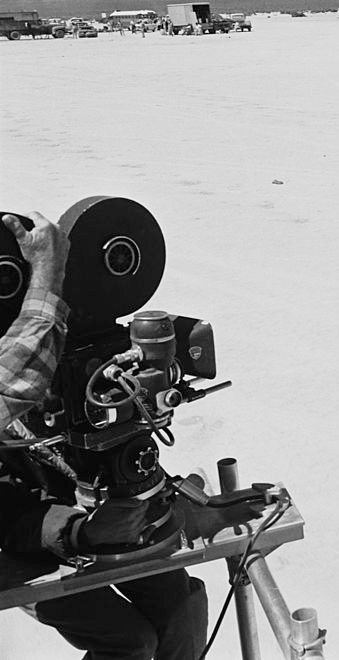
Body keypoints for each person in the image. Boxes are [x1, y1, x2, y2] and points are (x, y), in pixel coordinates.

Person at [0, 212, 208, 660]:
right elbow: (12, 387)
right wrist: (77, 532)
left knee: (182, 611)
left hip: (106, 511)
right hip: (20, 540)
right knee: (126, 641)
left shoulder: (61, 341)